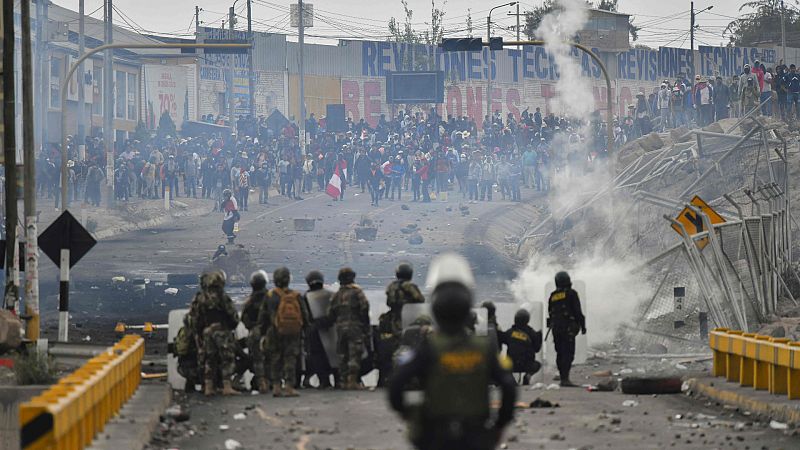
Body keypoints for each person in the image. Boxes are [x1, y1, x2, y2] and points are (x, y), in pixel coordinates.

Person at [389, 253, 516, 450]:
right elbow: (508, 386)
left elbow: (396, 383)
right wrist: (499, 424)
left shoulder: (429, 347)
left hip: (436, 434)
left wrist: (408, 414)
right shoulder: (484, 348)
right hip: (477, 433)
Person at [258, 267, 309, 397]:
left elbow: (262, 317)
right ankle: (289, 387)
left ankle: (276, 386)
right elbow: (305, 316)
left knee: (275, 358)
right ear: (288, 279)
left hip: (273, 331)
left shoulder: (270, 296)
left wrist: (263, 332)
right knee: (290, 358)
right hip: (292, 332)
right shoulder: (296, 296)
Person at [190, 270, 240, 396]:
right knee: (226, 359)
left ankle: (208, 387)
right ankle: (227, 387)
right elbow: (232, 316)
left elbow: (195, 318)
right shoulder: (222, 297)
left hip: (206, 333)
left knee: (209, 359)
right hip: (222, 331)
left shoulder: (200, 298)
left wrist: (200, 332)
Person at [377, 263, 425, 386]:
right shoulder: (409, 286)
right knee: (409, 345)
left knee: (395, 345)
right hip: (408, 319)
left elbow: (389, 302)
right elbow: (420, 300)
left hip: (394, 320)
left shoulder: (391, 286)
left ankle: (392, 375)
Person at [324, 267, 370, 390]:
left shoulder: (336, 295)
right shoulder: (357, 291)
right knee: (355, 354)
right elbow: (364, 307)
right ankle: (352, 381)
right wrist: (365, 326)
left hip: (340, 328)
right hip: (355, 327)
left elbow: (330, 314)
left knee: (343, 354)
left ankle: (343, 381)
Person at [547, 271, 586, 387]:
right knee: (568, 353)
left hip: (556, 329)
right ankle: (565, 379)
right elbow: (577, 311)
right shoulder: (571, 293)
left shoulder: (552, 296)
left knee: (560, 353)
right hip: (568, 328)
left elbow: (550, 313)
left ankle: (563, 376)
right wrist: (583, 326)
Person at [301, 270, 335, 389]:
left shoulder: (305, 296)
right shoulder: (330, 294)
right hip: (330, 329)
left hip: (312, 330)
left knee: (317, 356)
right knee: (333, 354)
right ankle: (336, 380)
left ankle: (323, 381)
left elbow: (303, 315)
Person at [242, 270, 270, 393]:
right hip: (271, 332)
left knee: (257, 359)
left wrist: (253, 327)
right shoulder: (272, 298)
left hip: (255, 333)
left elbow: (244, 319)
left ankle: (261, 382)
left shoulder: (249, 302)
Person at [500, 309, 542, 385]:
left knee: (503, 364)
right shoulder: (531, 333)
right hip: (527, 365)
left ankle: (511, 380)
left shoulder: (510, 332)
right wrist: (540, 336)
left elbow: (502, 340)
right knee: (537, 365)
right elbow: (537, 349)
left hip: (511, 365)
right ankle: (528, 376)